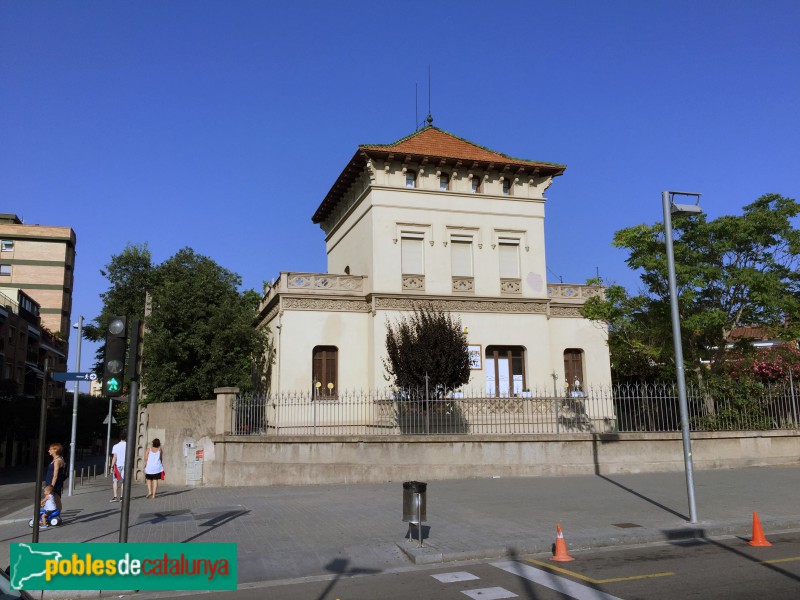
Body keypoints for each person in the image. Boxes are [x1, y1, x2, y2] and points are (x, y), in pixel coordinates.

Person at [44, 443, 67, 511]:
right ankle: (49, 515)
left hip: (54, 484)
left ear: (55, 450)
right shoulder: (55, 459)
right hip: (50, 482)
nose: (49, 451)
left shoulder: (58, 461)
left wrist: (52, 486)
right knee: (49, 499)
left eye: (50, 449)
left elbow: (55, 475)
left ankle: (57, 515)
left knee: (56, 499)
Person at [109, 432, 127, 502]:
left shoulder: (115, 446)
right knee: (123, 481)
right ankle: (122, 497)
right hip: (125, 466)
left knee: (115, 480)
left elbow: (114, 457)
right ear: (126, 437)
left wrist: (111, 467)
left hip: (117, 466)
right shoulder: (128, 445)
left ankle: (115, 496)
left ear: (120, 438)